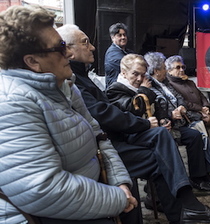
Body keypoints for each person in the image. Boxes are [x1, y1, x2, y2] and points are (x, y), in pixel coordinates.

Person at [57, 24, 210, 224]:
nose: (93, 48)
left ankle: (185, 209)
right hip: (105, 146)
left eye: (143, 74)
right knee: (161, 145)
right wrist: (145, 121)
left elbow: (167, 103)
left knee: (165, 140)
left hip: (114, 139)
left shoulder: (80, 77)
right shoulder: (84, 82)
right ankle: (187, 206)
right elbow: (108, 112)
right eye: (85, 42)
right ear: (68, 50)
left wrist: (164, 117)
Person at [0, 6, 137, 224]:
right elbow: (43, 189)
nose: (69, 54)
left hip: (88, 195)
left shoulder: (63, 84)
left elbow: (98, 135)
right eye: (60, 47)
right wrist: (116, 199)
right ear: (32, 61)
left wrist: (120, 181)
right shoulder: (12, 103)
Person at [106, 53, 210, 192]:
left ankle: (200, 177)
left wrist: (164, 118)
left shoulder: (159, 83)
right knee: (170, 139)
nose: (139, 78)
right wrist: (146, 91)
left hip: (161, 126)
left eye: (142, 74)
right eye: (135, 74)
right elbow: (133, 109)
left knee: (195, 136)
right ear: (124, 73)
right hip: (137, 134)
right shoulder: (117, 89)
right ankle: (178, 187)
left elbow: (161, 105)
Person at [104, 22, 133, 88]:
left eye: (124, 35)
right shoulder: (112, 54)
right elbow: (131, 66)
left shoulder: (127, 51)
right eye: (119, 35)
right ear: (112, 38)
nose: (123, 37)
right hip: (116, 91)